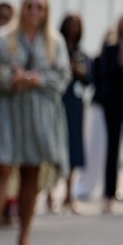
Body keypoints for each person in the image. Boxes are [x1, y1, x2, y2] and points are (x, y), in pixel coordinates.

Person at [0, 0, 70, 245]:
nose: (34, 11)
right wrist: (11, 79)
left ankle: (24, 236)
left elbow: (62, 78)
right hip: (8, 113)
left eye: (39, 7)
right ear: (21, 8)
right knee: (1, 170)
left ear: (46, 11)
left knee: (31, 172)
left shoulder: (54, 41)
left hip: (39, 115)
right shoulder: (3, 39)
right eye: (29, 6)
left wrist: (37, 79)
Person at [93, 11, 123, 214]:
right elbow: (103, 73)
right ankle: (109, 195)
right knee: (112, 149)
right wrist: (120, 58)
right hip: (114, 103)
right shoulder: (111, 48)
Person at [54, 13, 90, 214]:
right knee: (54, 145)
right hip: (58, 103)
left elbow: (89, 80)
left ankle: (69, 194)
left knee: (73, 147)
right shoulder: (56, 50)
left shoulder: (81, 54)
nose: (73, 29)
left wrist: (80, 72)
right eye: (70, 25)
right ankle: (51, 195)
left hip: (75, 104)